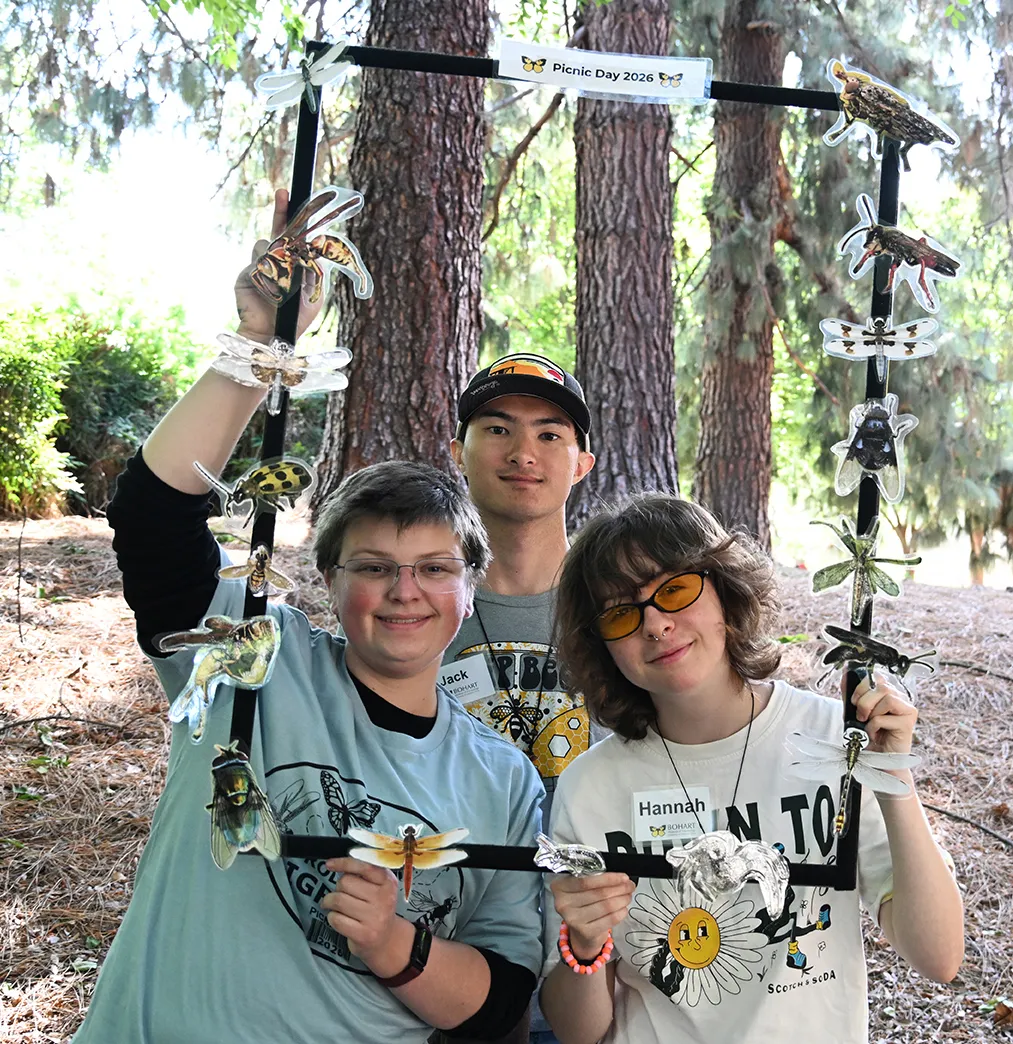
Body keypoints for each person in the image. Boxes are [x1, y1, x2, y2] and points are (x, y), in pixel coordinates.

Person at [72, 192, 544, 1044]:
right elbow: (151, 518)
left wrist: (397, 946)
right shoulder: (255, 655)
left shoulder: (503, 780)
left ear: (469, 586)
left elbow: (503, 996)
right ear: (327, 581)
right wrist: (259, 343)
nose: (405, 591)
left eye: (434, 569)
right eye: (372, 568)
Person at [538, 492, 964, 1044]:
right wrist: (585, 944)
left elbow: (940, 956)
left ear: (725, 588)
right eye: (621, 611)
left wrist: (894, 779)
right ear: (601, 644)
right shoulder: (589, 789)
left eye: (674, 588)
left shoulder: (836, 741)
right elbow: (580, 1033)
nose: (655, 624)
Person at [444, 354, 599, 1043]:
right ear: (458, 452)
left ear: (582, 462)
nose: (523, 453)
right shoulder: (410, 605)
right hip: (441, 965)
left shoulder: (627, 609)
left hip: (596, 967)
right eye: (497, 428)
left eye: (549, 434)